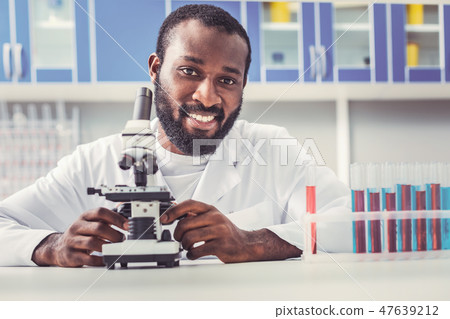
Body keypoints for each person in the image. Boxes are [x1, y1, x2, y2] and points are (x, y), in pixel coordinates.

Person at [0, 4, 350, 267]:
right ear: (156, 69)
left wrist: (254, 242)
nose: (207, 97)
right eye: (189, 71)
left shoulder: (274, 149)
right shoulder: (93, 160)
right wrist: (51, 246)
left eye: (227, 80)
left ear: (243, 85)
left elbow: (352, 221)